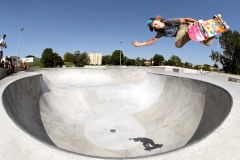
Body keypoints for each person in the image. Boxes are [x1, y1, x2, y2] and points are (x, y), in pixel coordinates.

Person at [132, 15, 215, 48]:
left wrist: (196, 22)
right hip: (186, 34)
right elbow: (153, 40)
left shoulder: (168, 21)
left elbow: (184, 19)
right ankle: (212, 29)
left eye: (155, 24)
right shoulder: (161, 32)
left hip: (184, 26)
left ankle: (192, 28)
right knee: (208, 43)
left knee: (177, 44)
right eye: (154, 27)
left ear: (158, 20)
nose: (155, 27)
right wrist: (140, 44)